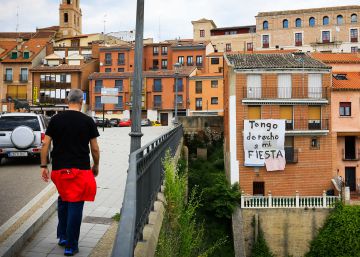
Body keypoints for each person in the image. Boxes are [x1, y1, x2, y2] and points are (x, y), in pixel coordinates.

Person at [40, 89, 100, 256]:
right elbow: (94, 148)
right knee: (75, 203)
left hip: (59, 171)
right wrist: (96, 165)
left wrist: (43, 166)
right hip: (79, 170)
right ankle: (71, 245)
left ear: (67, 101)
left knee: (64, 198)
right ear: (81, 101)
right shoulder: (87, 121)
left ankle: (63, 236)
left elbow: (45, 145)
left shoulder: (55, 119)